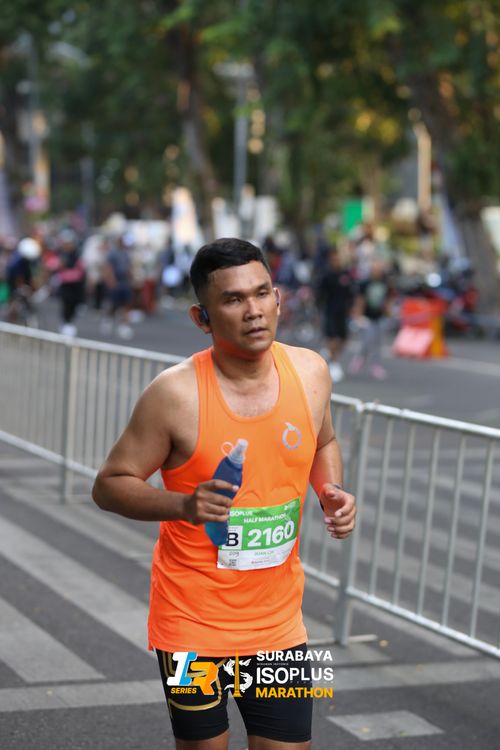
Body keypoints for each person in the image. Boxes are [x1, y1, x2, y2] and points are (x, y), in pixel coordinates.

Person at [92, 238, 356, 750]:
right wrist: (184, 505)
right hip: (189, 626)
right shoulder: (175, 394)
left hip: (279, 624)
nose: (253, 310)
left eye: (261, 293)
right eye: (233, 299)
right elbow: (109, 484)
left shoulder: (310, 372)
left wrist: (331, 490)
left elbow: (323, 440)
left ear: (278, 298)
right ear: (202, 317)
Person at [348, 257, 392, 380]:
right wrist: (358, 315)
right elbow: (360, 300)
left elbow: (387, 300)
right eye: (375, 270)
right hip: (367, 316)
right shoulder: (365, 284)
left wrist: (388, 313)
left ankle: (376, 365)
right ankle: (359, 359)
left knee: (378, 342)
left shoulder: (385, 284)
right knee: (367, 341)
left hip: (380, 316)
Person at [316, 249, 355, 383]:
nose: (336, 262)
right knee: (332, 338)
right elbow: (320, 295)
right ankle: (333, 363)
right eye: (334, 259)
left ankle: (329, 353)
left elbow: (351, 293)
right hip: (330, 311)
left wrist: (352, 308)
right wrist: (318, 312)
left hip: (343, 313)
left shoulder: (346, 275)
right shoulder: (326, 276)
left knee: (343, 339)